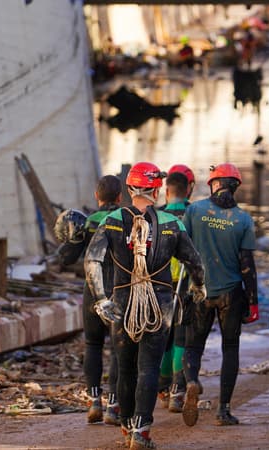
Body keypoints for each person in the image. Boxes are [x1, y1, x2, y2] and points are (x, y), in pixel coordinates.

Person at [85, 162, 207, 450]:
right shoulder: (170, 223)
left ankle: (127, 428)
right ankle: (142, 431)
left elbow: (92, 261)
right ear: (155, 189)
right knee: (148, 368)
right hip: (160, 305)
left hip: (122, 304)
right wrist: (198, 287)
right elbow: (194, 262)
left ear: (129, 189)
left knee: (125, 368)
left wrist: (101, 300)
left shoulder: (112, 220)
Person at [181, 163, 259, 427]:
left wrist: (182, 290)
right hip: (231, 293)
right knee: (230, 348)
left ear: (213, 184)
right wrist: (254, 301)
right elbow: (247, 264)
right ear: (235, 187)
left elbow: (183, 252)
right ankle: (223, 410)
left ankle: (191, 381)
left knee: (193, 346)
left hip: (199, 290)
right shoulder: (244, 220)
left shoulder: (193, 211)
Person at [56, 175, 122, 425]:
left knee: (93, 346)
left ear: (97, 197)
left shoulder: (87, 222)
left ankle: (94, 401)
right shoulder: (125, 220)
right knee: (117, 350)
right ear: (119, 198)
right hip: (117, 292)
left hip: (92, 292)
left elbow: (66, 259)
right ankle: (113, 406)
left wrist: (68, 236)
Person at [156, 172, 191, 413]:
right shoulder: (194, 214)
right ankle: (179, 390)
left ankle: (163, 388)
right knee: (181, 338)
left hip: (160, 284)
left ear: (166, 192)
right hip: (186, 285)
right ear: (188, 190)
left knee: (163, 340)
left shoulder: (156, 215)